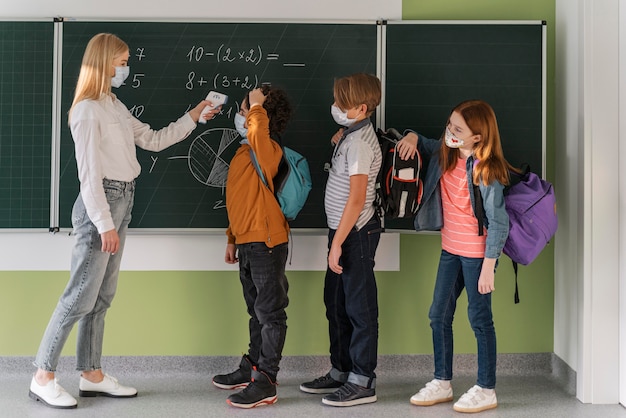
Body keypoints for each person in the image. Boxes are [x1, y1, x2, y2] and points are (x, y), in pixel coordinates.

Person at [28, 32, 218, 410]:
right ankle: (42, 375)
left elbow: (154, 139)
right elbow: (89, 175)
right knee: (79, 295)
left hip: (124, 199)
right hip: (102, 204)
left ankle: (91, 374)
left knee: (101, 297)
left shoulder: (113, 104)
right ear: (103, 62)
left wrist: (195, 116)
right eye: (122, 61)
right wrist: (104, 224)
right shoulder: (86, 111)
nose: (126, 68)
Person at [398, 100, 510, 413]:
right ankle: (442, 382)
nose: (450, 132)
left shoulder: (487, 170)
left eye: (458, 129)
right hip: (451, 250)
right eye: (450, 124)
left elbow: (499, 222)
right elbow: (421, 141)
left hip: (477, 256)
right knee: (438, 314)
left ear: (478, 137)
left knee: (479, 319)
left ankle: (487, 388)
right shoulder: (445, 153)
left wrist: (489, 266)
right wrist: (410, 136)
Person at [299, 73, 382, 407]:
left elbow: (357, 198)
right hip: (342, 233)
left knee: (359, 308)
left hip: (355, 234)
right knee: (335, 303)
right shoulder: (352, 134)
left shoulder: (360, 143)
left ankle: (363, 381)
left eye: (341, 104)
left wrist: (337, 244)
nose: (334, 107)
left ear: (361, 108)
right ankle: (341, 370)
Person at [212, 86, 293, 409]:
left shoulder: (267, 148)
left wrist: (257, 107)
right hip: (247, 242)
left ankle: (267, 382)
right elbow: (239, 202)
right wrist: (232, 238)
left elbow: (259, 132)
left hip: (267, 242)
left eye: (246, 108)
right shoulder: (245, 151)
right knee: (255, 311)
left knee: (270, 313)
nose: (242, 113)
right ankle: (253, 367)